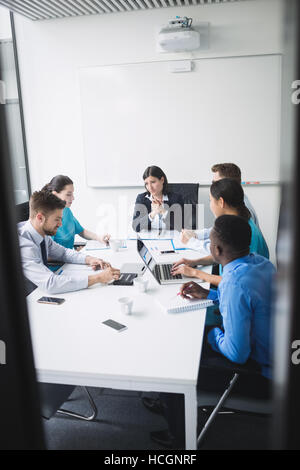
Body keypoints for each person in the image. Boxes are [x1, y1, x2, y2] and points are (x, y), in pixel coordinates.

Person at [149, 215, 275, 449]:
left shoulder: (234, 281)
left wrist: (211, 335)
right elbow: (247, 303)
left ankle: (180, 437)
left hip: (260, 375)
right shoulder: (260, 263)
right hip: (279, 360)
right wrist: (209, 294)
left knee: (178, 357)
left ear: (216, 249)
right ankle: (166, 402)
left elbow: (237, 353)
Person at [171, 178, 269, 286]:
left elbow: (234, 281)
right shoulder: (237, 222)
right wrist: (194, 262)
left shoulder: (244, 232)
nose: (211, 206)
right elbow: (226, 255)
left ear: (221, 202)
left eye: (210, 201)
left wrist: (195, 273)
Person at [18, 191, 120, 294]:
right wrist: (98, 278)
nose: (61, 224)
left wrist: (90, 259)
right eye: (57, 220)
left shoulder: (41, 233)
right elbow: (50, 284)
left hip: (39, 291)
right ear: (40, 218)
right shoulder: (24, 245)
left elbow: (63, 253)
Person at [180, 162, 260, 250]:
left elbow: (221, 249)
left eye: (216, 183)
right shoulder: (236, 204)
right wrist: (196, 235)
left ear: (227, 185)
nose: (213, 187)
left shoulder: (242, 214)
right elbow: (221, 232)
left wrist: (191, 241)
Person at [42, 175, 110, 249]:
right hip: (62, 259)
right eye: (68, 194)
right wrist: (74, 254)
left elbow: (81, 231)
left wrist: (98, 237)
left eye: (72, 194)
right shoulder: (47, 219)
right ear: (55, 194)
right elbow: (48, 253)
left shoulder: (66, 210)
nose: (73, 198)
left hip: (71, 257)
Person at [132, 166, 185, 232]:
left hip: (170, 240)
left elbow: (181, 226)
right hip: (148, 241)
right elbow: (136, 226)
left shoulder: (176, 198)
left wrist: (163, 211)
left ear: (162, 180)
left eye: (153, 182)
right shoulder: (142, 198)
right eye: (146, 184)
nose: (150, 187)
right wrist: (153, 213)